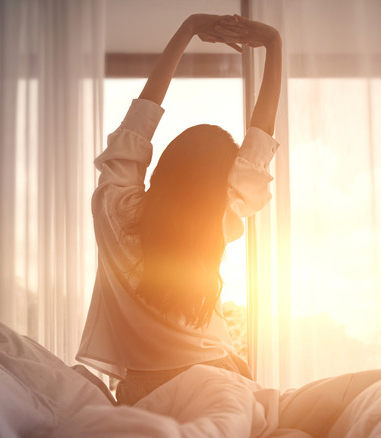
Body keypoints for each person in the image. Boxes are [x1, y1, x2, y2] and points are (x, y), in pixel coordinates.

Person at [76, 13, 282, 405]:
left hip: (141, 389)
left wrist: (187, 30)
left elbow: (138, 124)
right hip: (218, 376)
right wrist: (273, 44)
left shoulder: (112, 208)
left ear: (165, 164)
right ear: (220, 183)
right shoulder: (217, 219)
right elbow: (259, 142)